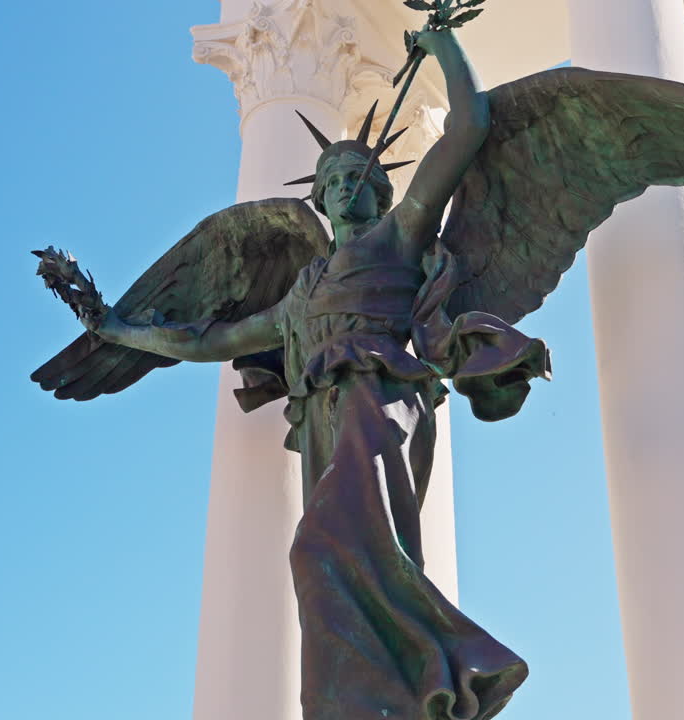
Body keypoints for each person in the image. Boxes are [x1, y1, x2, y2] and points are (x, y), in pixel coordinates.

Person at [86, 27, 548, 720]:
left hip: (383, 400)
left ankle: (452, 664)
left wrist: (442, 42)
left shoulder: (402, 236)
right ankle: (406, 687)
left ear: (381, 192)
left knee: (324, 546)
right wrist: (121, 330)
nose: (336, 191)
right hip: (328, 415)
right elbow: (214, 338)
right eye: (327, 182)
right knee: (339, 561)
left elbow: (469, 125)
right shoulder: (304, 289)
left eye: (351, 179)